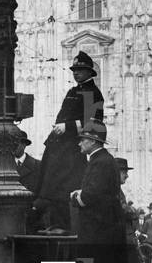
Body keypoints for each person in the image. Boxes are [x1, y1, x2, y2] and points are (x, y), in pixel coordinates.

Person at [36, 51, 104, 231]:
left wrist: (67, 127)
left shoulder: (92, 92)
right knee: (51, 184)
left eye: (80, 70)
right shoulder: (73, 90)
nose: (76, 73)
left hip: (72, 147)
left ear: (90, 72)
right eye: (74, 69)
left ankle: (63, 226)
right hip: (59, 145)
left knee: (63, 186)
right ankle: (56, 224)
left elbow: (93, 123)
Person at [69, 121, 126, 263]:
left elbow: (93, 194)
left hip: (98, 227)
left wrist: (76, 197)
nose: (80, 144)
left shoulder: (100, 162)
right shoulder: (103, 160)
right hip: (103, 227)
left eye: (83, 139)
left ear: (93, 141)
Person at [115, 157, 142, 263]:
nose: (126, 175)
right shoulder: (113, 189)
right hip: (122, 238)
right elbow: (123, 210)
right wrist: (132, 211)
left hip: (126, 237)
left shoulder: (118, 189)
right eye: (124, 172)